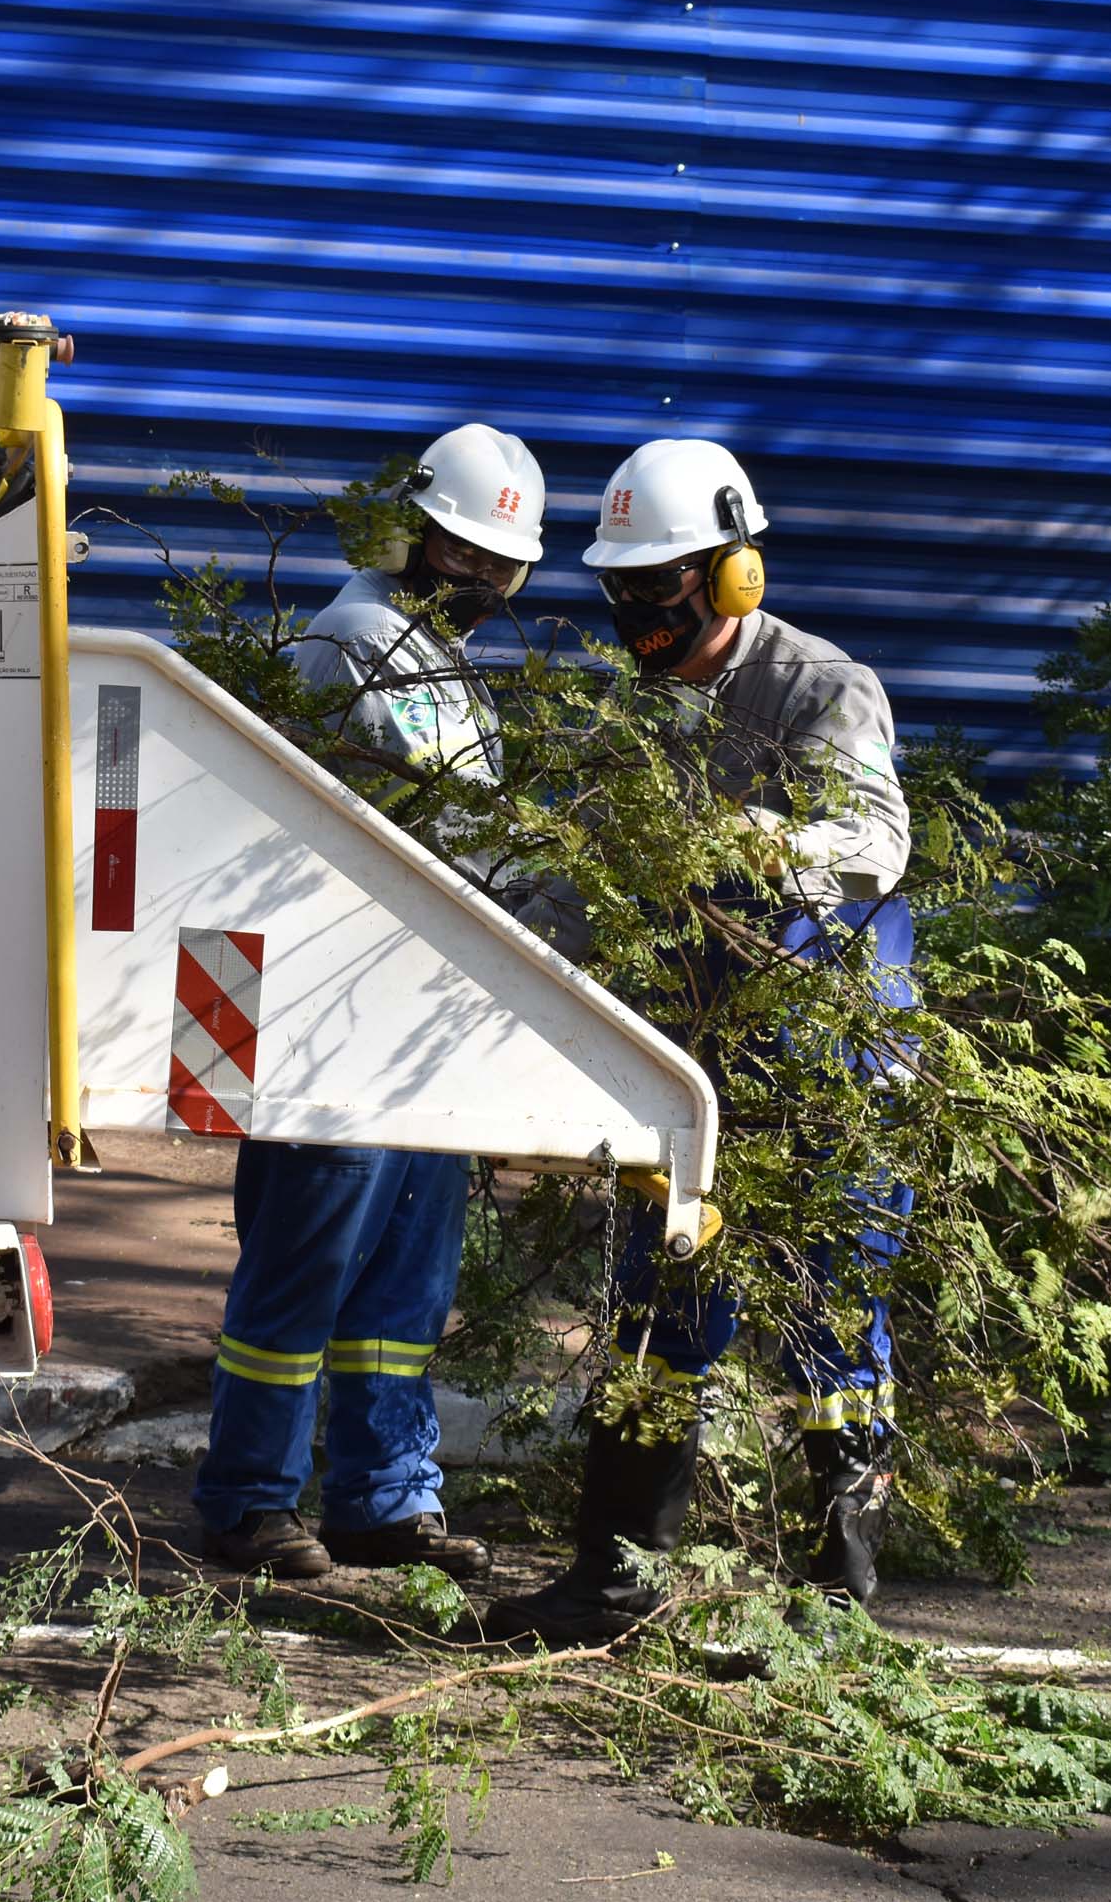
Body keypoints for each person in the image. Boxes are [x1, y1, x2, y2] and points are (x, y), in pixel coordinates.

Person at [486, 436, 914, 1642]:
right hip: (690, 1064)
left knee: (830, 1315)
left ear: (733, 576)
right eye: (622, 590)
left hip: (826, 1060)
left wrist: (742, 843)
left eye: (661, 587)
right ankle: (611, 1582)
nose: (638, 614)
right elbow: (576, 882)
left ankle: (838, 1599)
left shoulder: (821, 688)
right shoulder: (640, 714)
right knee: (653, 1317)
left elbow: (873, 842)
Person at [193, 422, 547, 1581]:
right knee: (309, 1260)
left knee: (404, 1280)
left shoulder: (435, 662)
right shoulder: (357, 643)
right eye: (467, 560)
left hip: (419, 1018)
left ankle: (385, 1496)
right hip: (339, 1014)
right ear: (407, 538)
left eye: (504, 570)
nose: (485, 587)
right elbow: (450, 831)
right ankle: (251, 1497)